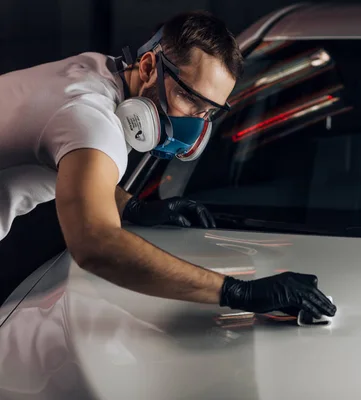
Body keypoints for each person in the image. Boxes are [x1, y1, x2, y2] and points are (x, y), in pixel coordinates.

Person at [0, 10, 337, 321]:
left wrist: (131, 207)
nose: (196, 124)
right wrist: (239, 291)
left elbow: (76, 166)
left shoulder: (96, 70)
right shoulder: (92, 122)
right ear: (148, 67)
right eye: (190, 99)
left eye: (209, 112)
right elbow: (95, 245)